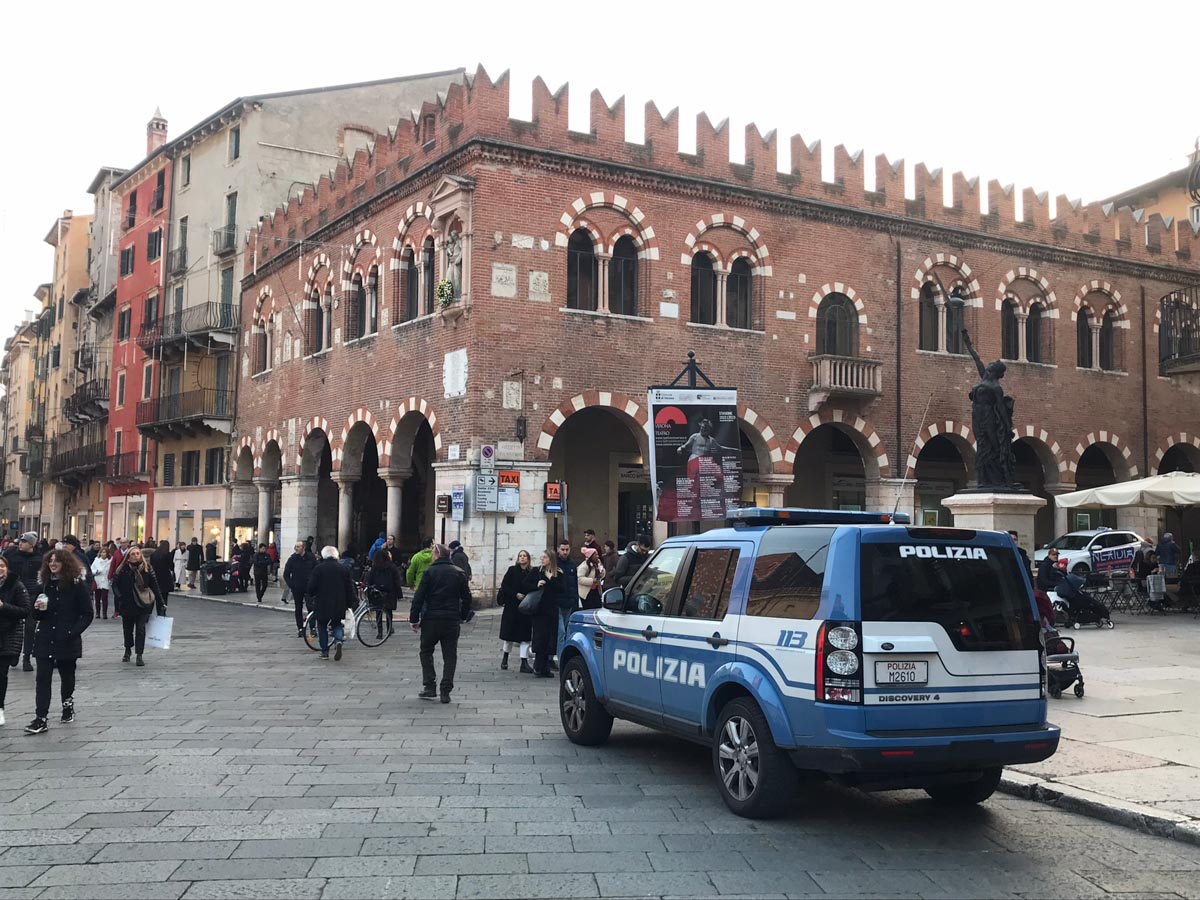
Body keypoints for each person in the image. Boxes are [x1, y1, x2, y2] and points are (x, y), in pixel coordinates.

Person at [24, 549, 93, 734]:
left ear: (66, 563)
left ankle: (67, 704)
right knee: (42, 679)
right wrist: (37, 609)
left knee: (67, 676)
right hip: (45, 638)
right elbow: (36, 613)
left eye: (57, 561)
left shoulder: (76, 585)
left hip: (66, 638)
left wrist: (72, 632)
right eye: (50, 561)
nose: (53, 564)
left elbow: (87, 613)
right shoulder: (44, 585)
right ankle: (41, 718)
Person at [409, 543, 474, 702]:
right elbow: (467, 597)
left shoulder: (429, 572)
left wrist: (414, 619)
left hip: (431, 618)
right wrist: (463, 615)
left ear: (437, 555)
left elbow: (419, 597)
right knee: (450, 655)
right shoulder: (459, 573)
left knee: (426, 651)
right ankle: (445, 690)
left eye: (433, 554)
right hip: (451, 619)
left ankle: (430, 686)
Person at [111, 545, 167, 667]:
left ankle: (139, 655)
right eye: (133, 554)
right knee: (128, 629)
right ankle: (127, 649)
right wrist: (119, 596)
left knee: (141, 629)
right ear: (128, 557)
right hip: (127, 603)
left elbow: (155, 586)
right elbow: (114, 584)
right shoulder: (122, 569)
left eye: (138, 553)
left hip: (144, 604)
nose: (136, 556)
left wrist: (161, 602)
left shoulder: (147, 568)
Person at [306, 546, 355, 661]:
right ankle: (338, 640)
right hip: (339, 602)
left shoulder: (319, 569)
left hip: (322, 602)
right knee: (337, 623)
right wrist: (350, 602)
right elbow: (349, 587)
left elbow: (311, 586)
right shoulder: (343, 569)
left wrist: (310, 594)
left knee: (322, 625)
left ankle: (324, 651)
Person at [5, 532, 44, 673]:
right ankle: (13, 653)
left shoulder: (40, 558)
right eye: (20, 541)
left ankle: (26, 657)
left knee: (30, 627)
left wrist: (41, 591)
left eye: (24, 541)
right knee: (11, 626)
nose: (20, 543)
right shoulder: (11, 555)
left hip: (33, 594)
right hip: (14, 594)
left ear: (31, 544)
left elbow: (43, 576)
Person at [0, 555, 31, 727]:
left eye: (2, 565)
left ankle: (0, 709)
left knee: (0, 675)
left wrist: (4, 606)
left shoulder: (15, 585)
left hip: (7, 636)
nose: (0, 569)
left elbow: (25, 610)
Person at [497, 550, 534, 673]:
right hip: (512, 607)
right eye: (520, 556)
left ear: (528, 559)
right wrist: (515, 594)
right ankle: (505, 657)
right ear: (518, 559)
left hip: (525, 608)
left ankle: (524, 662)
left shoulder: (532, 572)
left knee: (525, 636)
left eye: (525, 556)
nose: (522, 558)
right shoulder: (512, 570)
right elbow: (505, 586)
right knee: (509, 635)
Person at [530, 550, 562, 678]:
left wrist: (551, 579)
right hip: (539, 610)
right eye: (541, 557)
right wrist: (536, 584)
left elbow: (561, 588)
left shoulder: (557, 573)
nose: (542, 559)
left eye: (545, 557)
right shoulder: (537, 572)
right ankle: (537, 666)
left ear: (550, 559)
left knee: (550, 639)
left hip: (552, 609)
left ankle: (545, 667)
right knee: (540, 637)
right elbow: (525, 584)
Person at [365, 548, 403, 640]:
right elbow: (397, 581)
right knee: (388, 611)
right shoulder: (392, 567)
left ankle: (380, 632)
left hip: (377, 592)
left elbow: (369, 580)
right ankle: (389, 629)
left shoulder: (375, 567)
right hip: (390, 592)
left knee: (378, 611)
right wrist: (399, 593)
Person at [283, 541, 318, 638]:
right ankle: (300, 628)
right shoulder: (292, 559)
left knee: (311, 607)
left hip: (309, 587)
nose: (296, 548)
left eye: (298, 547)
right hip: (297, 587)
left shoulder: (311, 557)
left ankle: (312, 628)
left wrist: (314, 583)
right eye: (295, 547)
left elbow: (317, 570)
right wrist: (291, 585)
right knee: (298, 608)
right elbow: (286, 574)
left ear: (303, 548)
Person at [555, 541, 579, 664]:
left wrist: (575, 599)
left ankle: (559, 656)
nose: (565, 552)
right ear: (559, 549)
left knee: (565, 631)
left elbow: (574, 583)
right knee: (561, 632)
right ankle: (560, 661)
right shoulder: (555, 563)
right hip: (557, 603)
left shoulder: (572, 564)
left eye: (567, 550)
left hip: (569, 602)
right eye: (563, 549)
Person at [90, 545, 112, 619]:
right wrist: (96, 572)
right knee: (97, 597)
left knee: (104, 597)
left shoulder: (110, 561)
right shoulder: (96, 560)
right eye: (102, 552)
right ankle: (97, 612)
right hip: (98, 579)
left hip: (105, 579)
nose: (103, 554)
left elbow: (111, 570)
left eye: (105, 552)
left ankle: (104, 613)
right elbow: (91, 569)